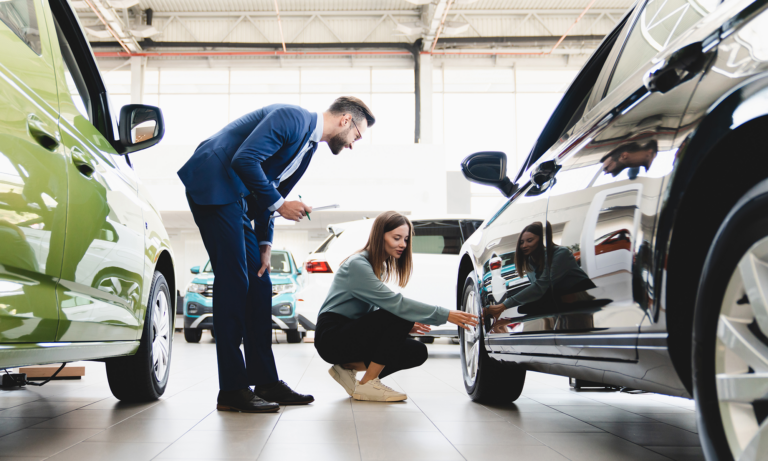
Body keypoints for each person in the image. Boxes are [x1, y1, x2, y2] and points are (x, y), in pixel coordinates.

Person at [177, 97, 375, 413]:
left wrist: (265, 243)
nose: (353, 145)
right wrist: (280, 205)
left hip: (237, 197)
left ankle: (265, 381)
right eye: (357, 136)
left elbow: (269, 188)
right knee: (234, 282)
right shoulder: (292, 118)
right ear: (346, 120)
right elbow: (245, 160)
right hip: (214, 180)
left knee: (259, 283)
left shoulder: (307, 148)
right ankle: (231, 388)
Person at [314, 211, 479, 402]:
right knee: (399, 312)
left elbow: (375, 310)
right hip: (332, 336)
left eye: (406, 239)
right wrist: (445, 314)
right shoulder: (358, 264)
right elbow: (395, 304)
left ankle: (345, 368)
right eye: (396, 238)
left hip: (349, 332)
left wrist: (405, 325)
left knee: (416, 352)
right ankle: (368, 383)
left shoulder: (378, 266)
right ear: (379, 236)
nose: (403, 244)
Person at [486, 221, 596, 319]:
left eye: (529, 240)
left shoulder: (561, 253)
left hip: (582, 303)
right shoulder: (529, 262)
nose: (524, 245)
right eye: (521, 242)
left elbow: (542, 285)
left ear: (541, 240)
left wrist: (505, 305)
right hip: (560, 307)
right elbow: (538, 293)